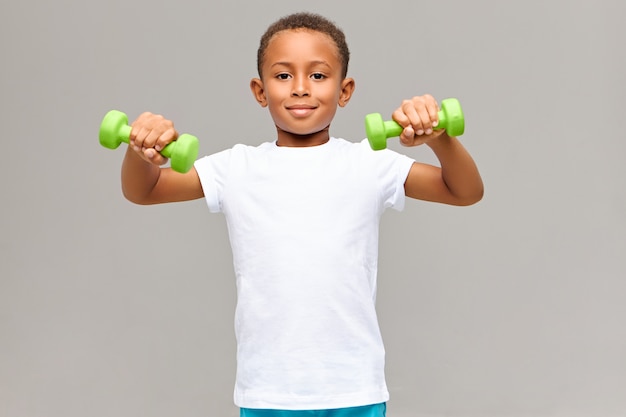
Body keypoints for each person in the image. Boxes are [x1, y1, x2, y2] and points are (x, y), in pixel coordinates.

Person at [120, 11, 483, 417]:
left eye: (317, 76)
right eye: (282, 76)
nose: (299, 89)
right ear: (260, 91)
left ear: (345, 91)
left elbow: (464, 191)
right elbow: (145, 190)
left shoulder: (369, 163)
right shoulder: (236, 168)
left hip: (354, 388)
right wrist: (141, 151)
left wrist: (440, 140)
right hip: (268, 391)